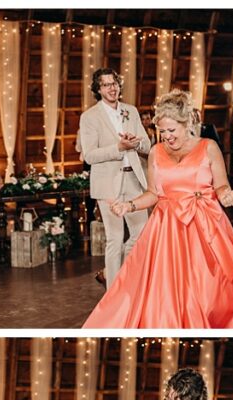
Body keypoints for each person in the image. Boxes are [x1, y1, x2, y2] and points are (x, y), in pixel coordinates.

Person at [83, 90, 233, 328]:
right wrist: (129, 205)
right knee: (166, 289)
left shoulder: (208, 147)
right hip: (167, 228)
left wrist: (226, 195)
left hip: (204, 225)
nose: (166, 136)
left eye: (171, 130)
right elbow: (153, 193)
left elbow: (222, 184)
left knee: (209, 288)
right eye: (161, 131)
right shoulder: (155, 151)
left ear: (187, 124)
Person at [76, 68, 151, 288]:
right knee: (114, 239)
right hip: (108, 184)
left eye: (115, 83)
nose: (112, 88)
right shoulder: (89, 117)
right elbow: (89, 155)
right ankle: (113, 294)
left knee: (142, 235)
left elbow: (147, 144)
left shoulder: (131, 111)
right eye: (106, 84)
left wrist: (135, 143)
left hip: (135, 181)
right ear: (98, 90)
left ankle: (123, 277)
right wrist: (118, 147)